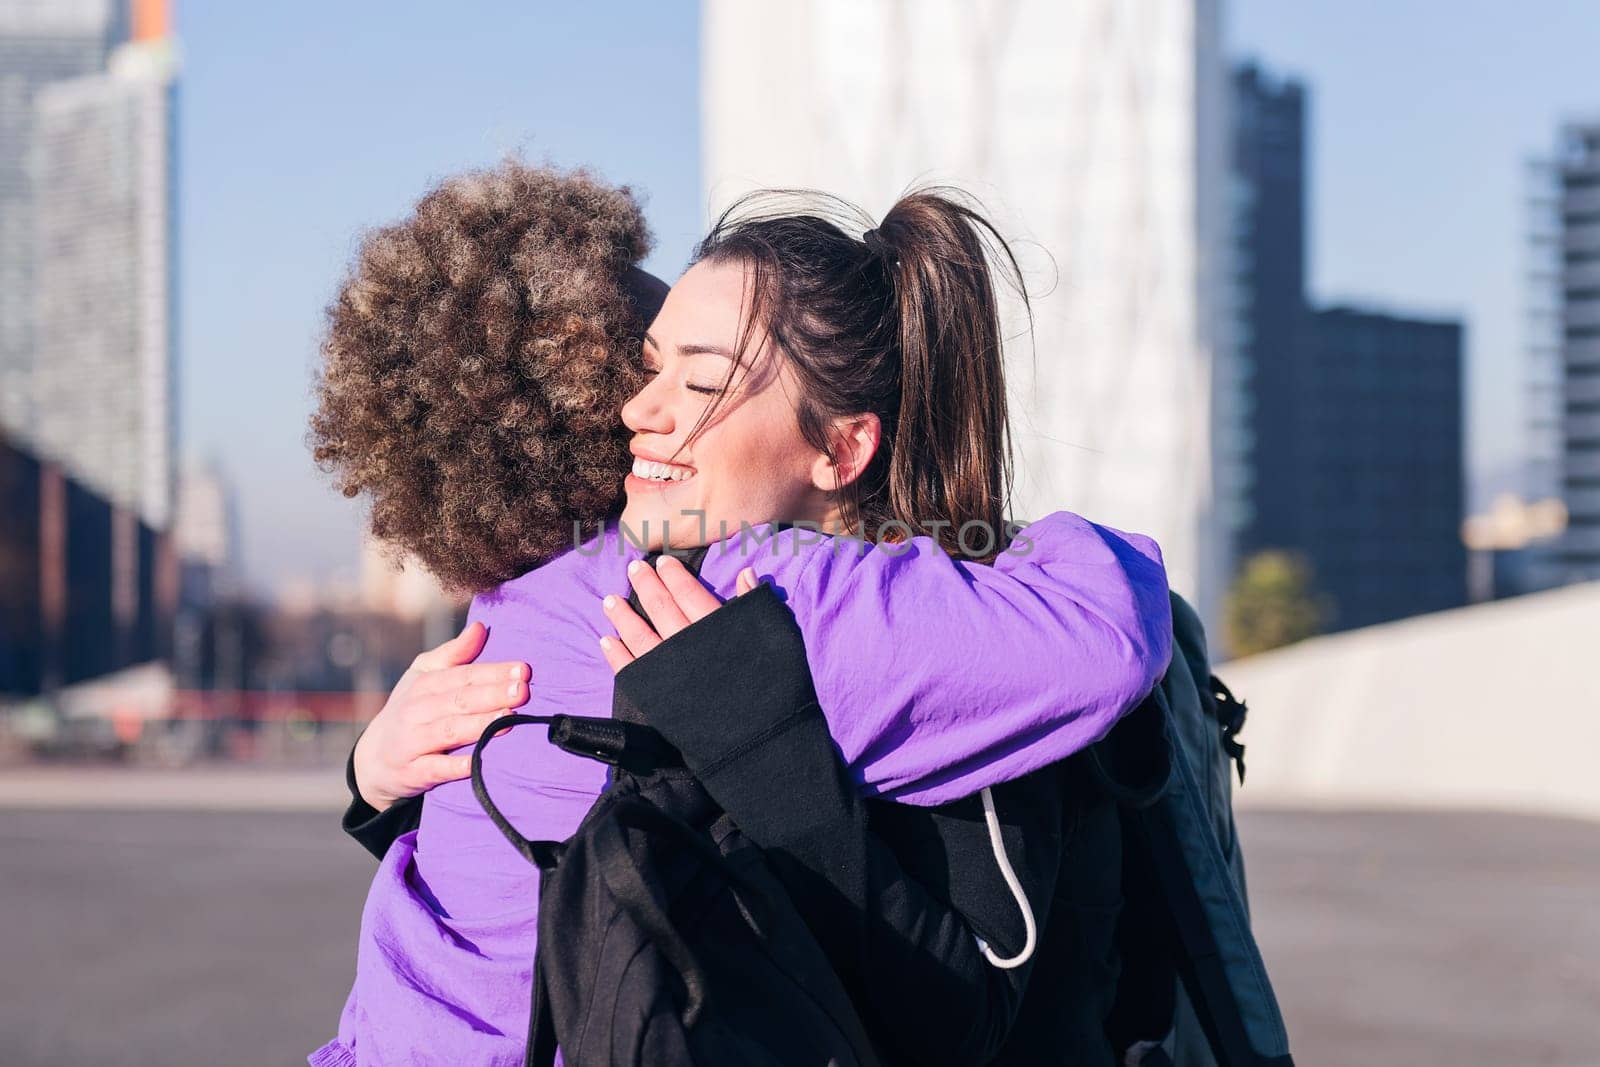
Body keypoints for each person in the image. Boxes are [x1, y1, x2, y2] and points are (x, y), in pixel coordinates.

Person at [310, 168, 1171, 1065]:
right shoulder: (749, 589)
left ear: (842, 445)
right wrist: (999, 544)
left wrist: (375, 787)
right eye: (644, 367)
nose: (636, 409)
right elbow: (1112, 628)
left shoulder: (515, 592)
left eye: (698, 381)